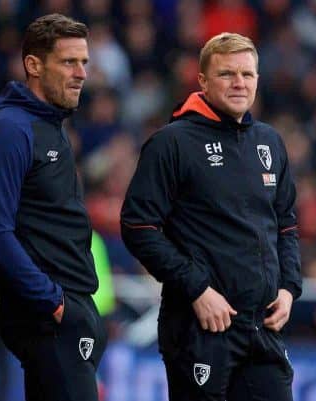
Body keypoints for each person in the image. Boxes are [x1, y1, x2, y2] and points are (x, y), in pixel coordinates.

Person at [121, 32, 302, 401]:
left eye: (248, 75)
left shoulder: (269, 142)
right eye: (227, 74)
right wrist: (197, 289)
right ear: (202, 80)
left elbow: (287, 224)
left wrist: (288, 288)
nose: (239, 83)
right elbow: (138, 227)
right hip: (201, 329)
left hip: (263, 327)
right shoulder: (171, 143)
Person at [0, 14, 106, 401]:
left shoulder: (51, 127)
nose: (81, 73)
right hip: (48, 317)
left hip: (69, 314)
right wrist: (54, 302)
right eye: (68, 62)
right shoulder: (10, 130)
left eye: (85, 62)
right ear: (33, 64)